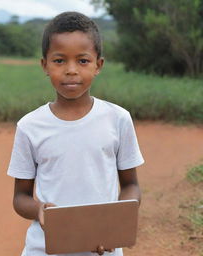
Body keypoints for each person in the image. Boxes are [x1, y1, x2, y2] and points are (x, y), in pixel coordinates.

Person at [7, 11, 144, 256]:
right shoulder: (30, 126)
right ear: (45, 65)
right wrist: (39, 210)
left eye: (82, 61)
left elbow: (131, 185)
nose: (71, 70)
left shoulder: (118, 119)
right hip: (45, 249)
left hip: (103, 247)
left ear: (98, 65)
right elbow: (20, 197)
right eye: (59, 61)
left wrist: (115, 225)